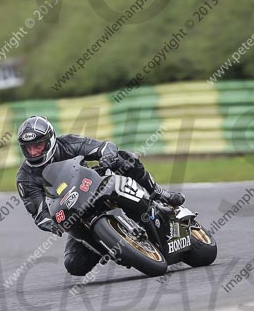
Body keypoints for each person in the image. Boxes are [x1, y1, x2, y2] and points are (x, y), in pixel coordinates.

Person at [15, 115, 184, 276]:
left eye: (38, 146)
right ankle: (111, 246)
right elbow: (38, 211)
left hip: (93, 185)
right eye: (28, 148)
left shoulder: (68, 143)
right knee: (74, 265)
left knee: (125, 159)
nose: (33, 152)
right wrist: (50, 224)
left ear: (50, 140)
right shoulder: (25, 177)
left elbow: (103, 147)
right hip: (73, 213)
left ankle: (159, 193)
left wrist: (107, 156)